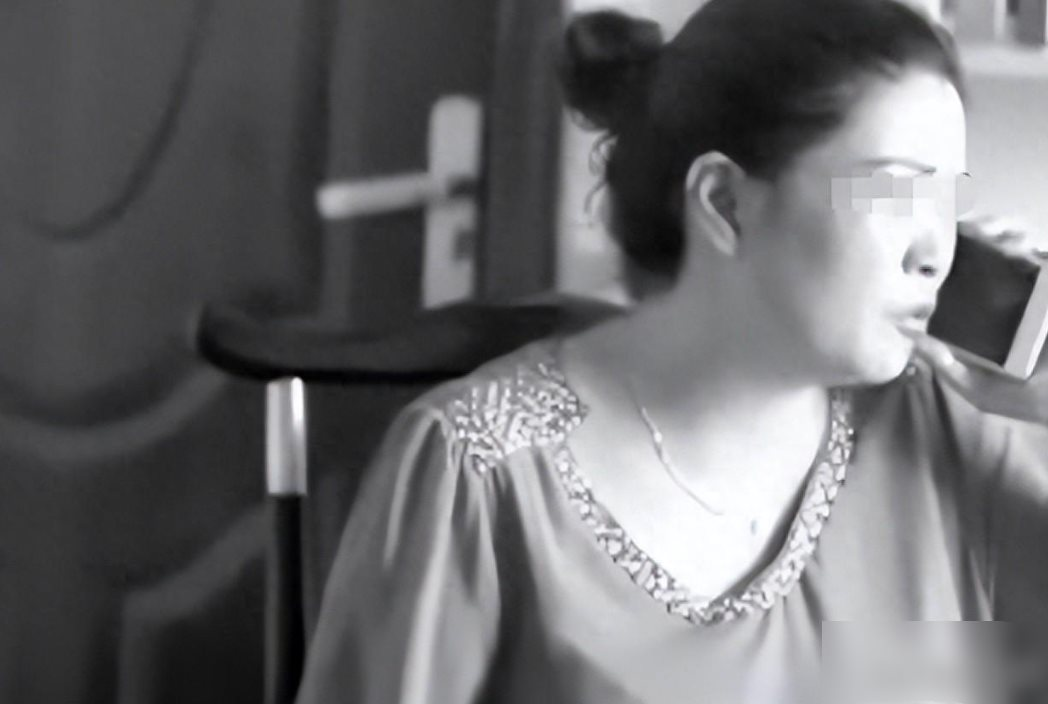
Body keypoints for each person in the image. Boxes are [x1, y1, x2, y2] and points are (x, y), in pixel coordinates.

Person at [295, 1, 1048, 702]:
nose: (935, 252)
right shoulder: (483, 474)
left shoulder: (947, 446)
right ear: (724, 202)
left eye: (946, 199)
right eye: (893, 194)